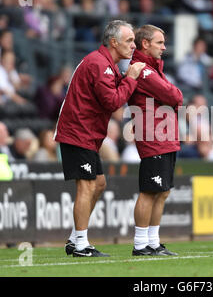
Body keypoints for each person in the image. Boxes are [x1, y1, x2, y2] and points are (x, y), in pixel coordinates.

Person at [54, 20, 145, 258]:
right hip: (78, 133)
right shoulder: (100, 64)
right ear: (113, 42)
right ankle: (81, 245)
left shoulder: (104, 63)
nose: (133, 45)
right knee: (86, 186)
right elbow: (113, 102)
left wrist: (125, 77)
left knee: (99, 183)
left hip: (88, 134)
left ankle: (75, 239)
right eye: (129, 40)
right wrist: (131, 78)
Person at [128, 24, 182, 256]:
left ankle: (153, 241)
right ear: (145, 44)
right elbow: (174, 95)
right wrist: (172, 93)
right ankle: (140, 244)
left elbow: (172, 96)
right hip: (153, 136)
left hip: (166, 136)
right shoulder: (142, 69)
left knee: (163, 191)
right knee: (150, 191)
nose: (164, 47)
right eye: (160, 43)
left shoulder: (154, 68)